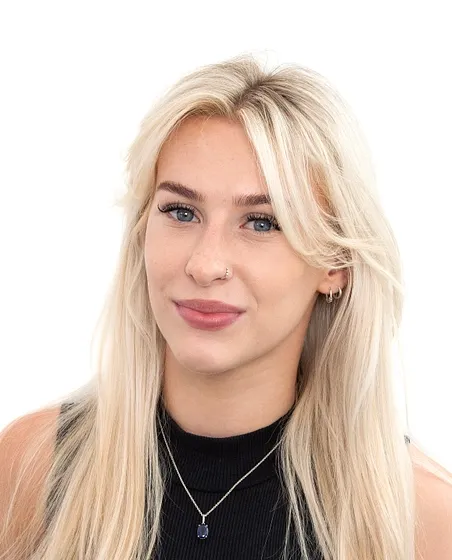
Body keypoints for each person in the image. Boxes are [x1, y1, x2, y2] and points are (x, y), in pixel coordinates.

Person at [1, 54, 451, 560]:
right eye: (181, 211)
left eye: (261, 222)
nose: (205, 264)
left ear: (335, 263)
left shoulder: (420, 519)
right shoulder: (34, 467)